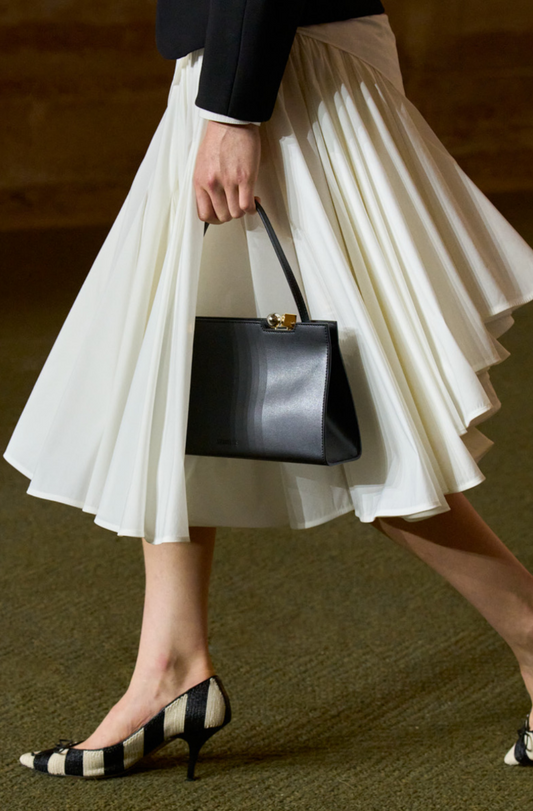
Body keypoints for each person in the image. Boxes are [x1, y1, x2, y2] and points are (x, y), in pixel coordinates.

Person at [5, 0, 533, 781]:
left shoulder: (244, 100)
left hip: (277, 84)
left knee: (368, 420)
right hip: (236, 74)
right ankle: (170, 667)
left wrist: (231, 110)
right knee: (177, 381)